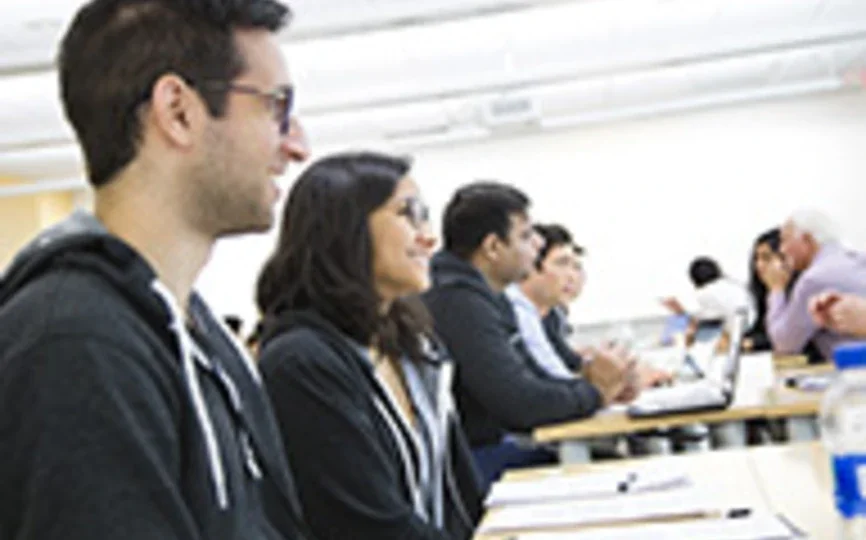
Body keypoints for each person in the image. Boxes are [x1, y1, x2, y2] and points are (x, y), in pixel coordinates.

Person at [0, 1, 312, 538]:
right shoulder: (76, 344)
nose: (298, 144)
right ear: (178, 112)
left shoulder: (192, 330)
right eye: (276, 107)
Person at [255, 152, 483, 539]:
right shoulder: (300, 364)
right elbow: (370, 527)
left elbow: (461, 496)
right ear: (346, 228)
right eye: (407, 214)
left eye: (424, 215)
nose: (428, 237)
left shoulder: (414, 347)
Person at [422, 183, 630, 484]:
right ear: (493, 247)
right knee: (608, 468)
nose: (538, 243)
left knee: (608, 461)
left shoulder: (488, 296)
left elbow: (532, 380)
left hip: (489, 448)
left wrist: (602, 382)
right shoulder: (457, 300)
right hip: (472, 463)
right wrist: (595, 392)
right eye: (525, 235)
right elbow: (521, 403)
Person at [766, 209, 866, 360]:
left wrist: (776, 288)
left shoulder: (814, 279)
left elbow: (785, 343)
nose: (782, 249)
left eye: (785, 240)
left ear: (807, 240)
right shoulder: (858, 259)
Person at [661, 256, 753, 325]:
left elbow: (699, 319)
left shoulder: (704, 293)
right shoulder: (734, 284)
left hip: (735, 334)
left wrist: (680, 311)